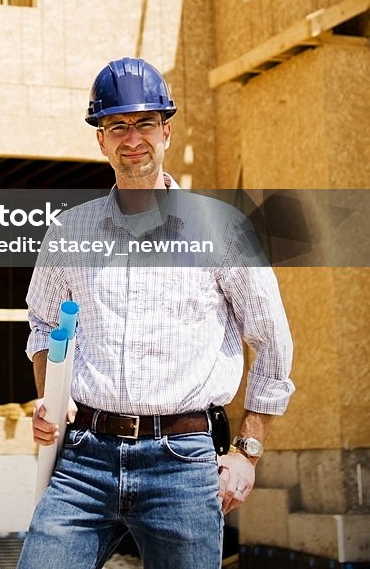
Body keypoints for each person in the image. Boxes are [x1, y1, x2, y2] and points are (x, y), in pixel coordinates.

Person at [18, 57, 294, 569]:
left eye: (144, 122)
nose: (132, 138)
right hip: (83, 462)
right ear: (100, 140)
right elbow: (43, 324)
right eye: (116, 125)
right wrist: (49, 398)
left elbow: (273, 341)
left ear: (166, 131)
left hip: (183, 463)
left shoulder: (220, 228)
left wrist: (247, 450)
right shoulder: (69, 234)